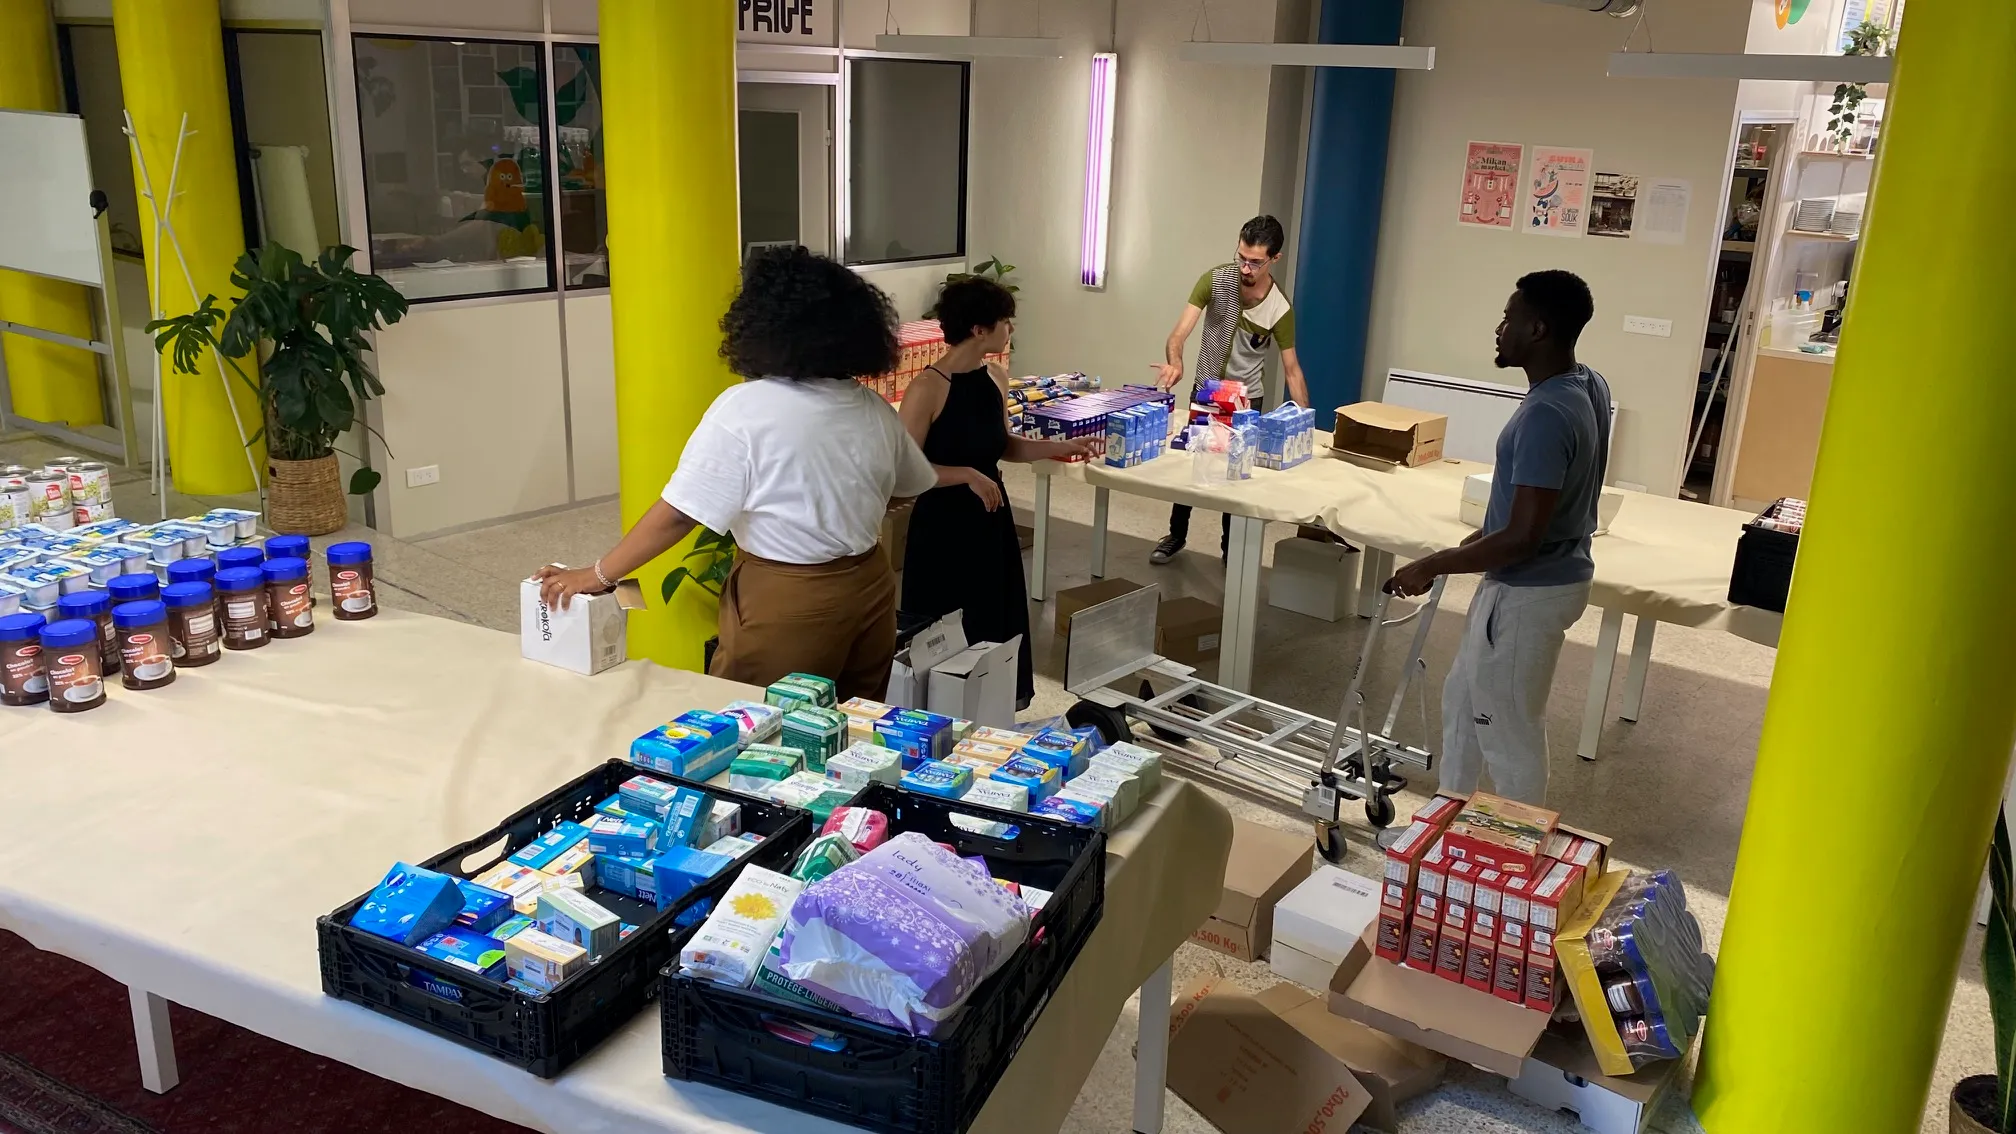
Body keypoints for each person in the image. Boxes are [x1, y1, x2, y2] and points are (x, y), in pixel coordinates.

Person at [536, 246, 938, 701]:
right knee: (853, 723)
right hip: (871, 588)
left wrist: (598, 574)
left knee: (755, 724)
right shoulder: (872, 407)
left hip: (789, 598)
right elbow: (909, 488)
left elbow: (680, 515)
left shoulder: (746, 409)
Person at [1383, 270, 1612, 805]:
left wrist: (1432, 564)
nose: (1499, 328)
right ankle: (1447, 816)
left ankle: (1518, 843)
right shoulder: (1587, 383)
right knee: (1464, 702)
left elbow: (1523, 538)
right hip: (1533, 578)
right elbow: (1537, 509)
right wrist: (1479, 540)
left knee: (1509, 732)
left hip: (1529, 591)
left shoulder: (1546, 413)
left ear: (1537, 329)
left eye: (1509, 317)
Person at [898, 278, 1093, 710]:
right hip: (942, 528)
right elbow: (904, 473)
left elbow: (1005, 446)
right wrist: (965, 475)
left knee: (991, 619)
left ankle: (990, 713)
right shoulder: (927, 388)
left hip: (989, 522)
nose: (1011, 329)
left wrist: (1058, 447)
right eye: (1006, 320)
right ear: (979, 329)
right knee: (944, 629)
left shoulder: (995, 378)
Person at [1148, 214, 1310, 565]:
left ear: (1275, 258)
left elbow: (1292, 370)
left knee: (1237, 474)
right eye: (1241, 257)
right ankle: (1176, 534)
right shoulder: (1215, 280)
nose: (1245, 268)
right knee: (1192, 465)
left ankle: (1229, 550)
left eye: (1255, 262)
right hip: (1206, 390)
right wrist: (1176, 362)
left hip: (1246, 401)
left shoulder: (1279, 308)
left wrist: (1305, 423)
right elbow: (1178, 334)